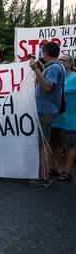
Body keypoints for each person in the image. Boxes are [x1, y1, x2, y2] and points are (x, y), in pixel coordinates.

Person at [28, 41, 65, 187]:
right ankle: (44, 174)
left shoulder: (54, 68)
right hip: (48, 109)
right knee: (44, 142)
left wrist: (36, 71)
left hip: (45, 110)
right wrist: (39, 68)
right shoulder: (55, 66)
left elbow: (48, 86)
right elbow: (48, 77)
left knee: (43, 143)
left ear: (45, 53)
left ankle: (43, 177)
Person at [49, 54, 75, 181]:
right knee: (57, 144)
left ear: (70, 64)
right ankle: (54, 168)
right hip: (56, 117)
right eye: (58, 60)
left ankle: (67, 172)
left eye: (62, 61)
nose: (59, 62)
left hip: (70, 118)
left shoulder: (75, 77)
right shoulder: (57, 76)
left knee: (70, 146)